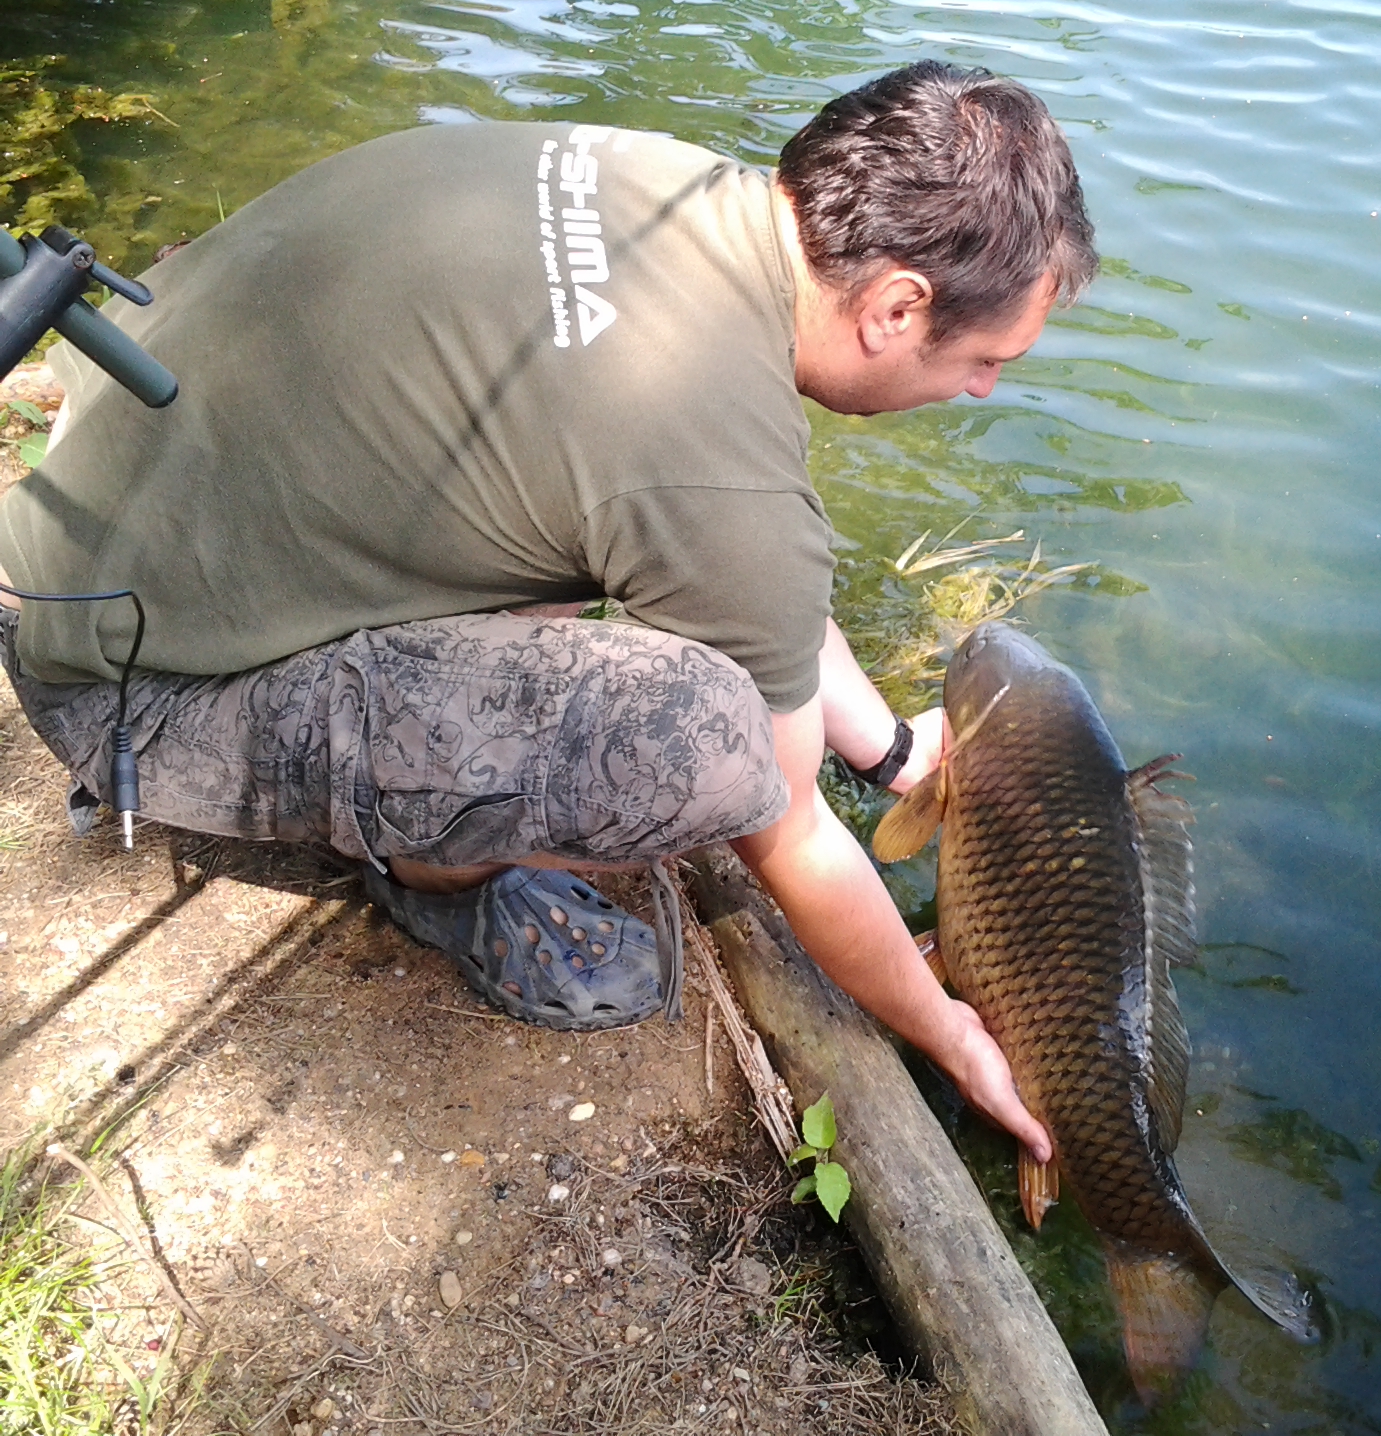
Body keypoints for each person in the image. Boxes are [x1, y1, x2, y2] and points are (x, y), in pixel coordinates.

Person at [0, 61, 1097, 1166]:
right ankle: (437, 873)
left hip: (83, 510)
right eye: (985, 359)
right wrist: (950, 1030)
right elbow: (790, 829)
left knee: (595, 522)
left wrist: (894, 751)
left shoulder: (670, 189)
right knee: (707, 750)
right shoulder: (708, 463)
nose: (983, 388)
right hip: (130, 694)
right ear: (897, 307)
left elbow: (746, 560)